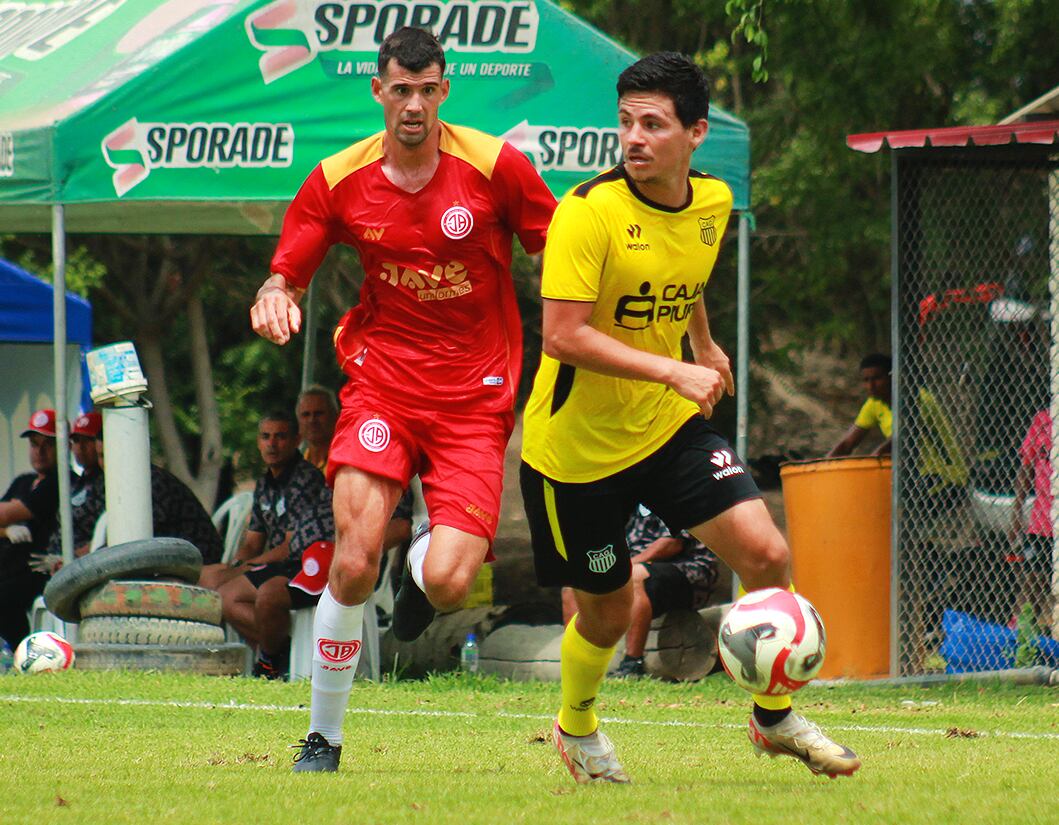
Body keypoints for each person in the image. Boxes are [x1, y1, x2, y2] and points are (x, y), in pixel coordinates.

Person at [519, 52, 861, 784]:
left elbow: (685, 270)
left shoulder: (710, 202)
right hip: (573, 454)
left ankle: (773, 719)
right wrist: (678, 366)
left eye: (652, 123)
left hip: (663, 424)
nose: (633, 138)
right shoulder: (586, 212)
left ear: (694, 132)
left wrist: (701, 340)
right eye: (624, 124)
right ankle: (575, 725)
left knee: (766, 555)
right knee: (609, 613)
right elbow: (562, 336)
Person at [249, 27, 555, 772]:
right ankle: (323, 736)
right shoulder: (338, 178)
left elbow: (563, 246)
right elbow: (285, 272)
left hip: (474, 397)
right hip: (383, 384)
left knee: (451, 580)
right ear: (378, 92)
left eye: (427, 90)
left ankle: (419, 578)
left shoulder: (494, 167)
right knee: (352, 562)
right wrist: (273, 295)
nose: (413, 104)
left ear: (443, 91)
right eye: (400, 90)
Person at [204, 411, 328, 625]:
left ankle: (278, 648)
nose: (272, 444)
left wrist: (247, 565)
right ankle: (268, 648)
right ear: (259, 442)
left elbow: (291, 547)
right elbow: (253, 542)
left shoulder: (305, 479)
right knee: (205, 577)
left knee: (224, 592)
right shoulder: (264, 483)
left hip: (299, 566)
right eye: (266, 437)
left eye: (280, 436)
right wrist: (236, 563)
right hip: (271, 563)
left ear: (296, 441)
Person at [0, 409, 61, 647]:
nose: (40, 452)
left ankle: (22, 652)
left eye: (48, 445)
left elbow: (8, 513)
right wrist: (6, 531)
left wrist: (10, 515)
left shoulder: (58, 482)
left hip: (36, 567)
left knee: (4, 598)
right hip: (9, 565)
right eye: (35, 445)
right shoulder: (24, 482)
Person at [1008, 407, 1053, 630]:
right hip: (1042, 521)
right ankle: (1021, 635)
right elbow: (1026, 468)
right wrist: (1017, 512)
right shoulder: (1043, 420)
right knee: (1033, 578)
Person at [827, 353, 892, 457]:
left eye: (877, 378)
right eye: (866, 380)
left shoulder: (916, 398)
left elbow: (903, 437)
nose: (871, 386)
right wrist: (823, 466)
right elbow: (847, 444)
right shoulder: (873, 403)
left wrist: (878, 453)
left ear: (891, 377)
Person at [297, 385, 339, 472]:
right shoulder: (293, 468)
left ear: (335, 417)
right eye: (306, 414)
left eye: (319, 413)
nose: (312, 420)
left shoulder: (346, 463)